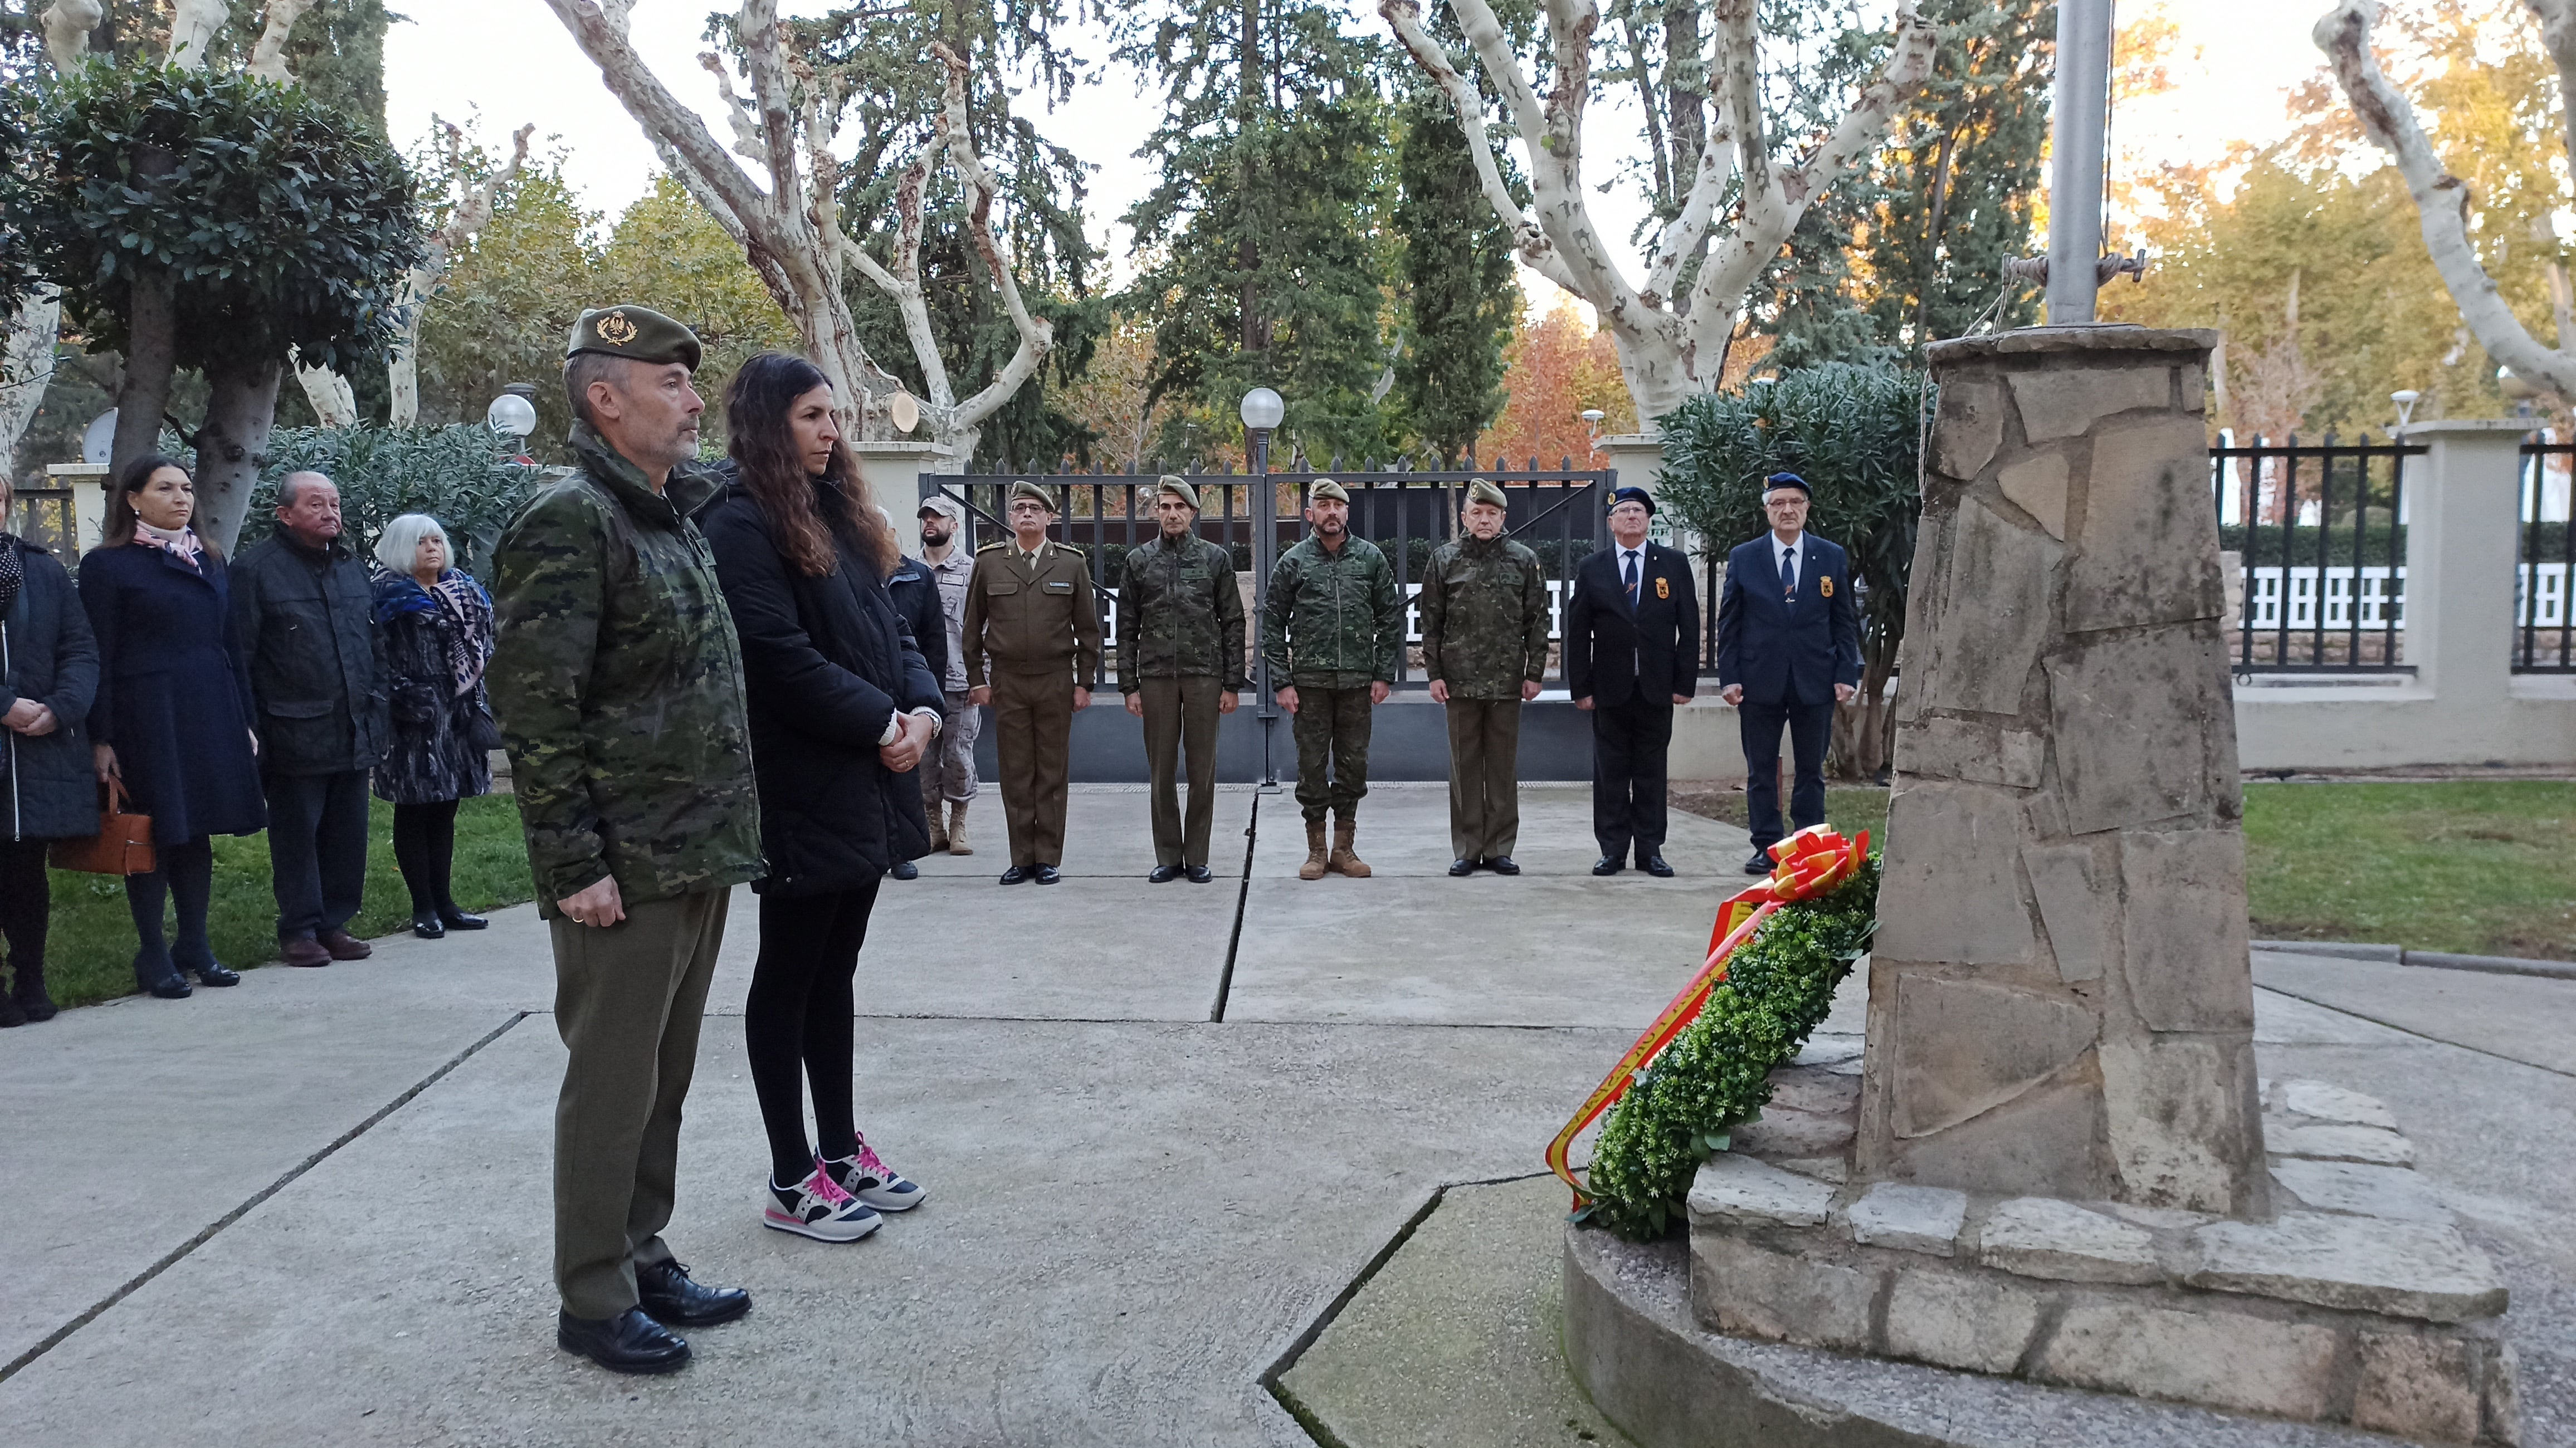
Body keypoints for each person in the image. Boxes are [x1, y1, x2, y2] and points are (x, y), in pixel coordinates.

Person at [489, 304, 764, 1375]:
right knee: (610, 1086)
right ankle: (591, 1297)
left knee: (663, 1079)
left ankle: (642, 1253)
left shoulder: (666, 518)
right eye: (673, 385)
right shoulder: (569, 521)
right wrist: (574, 868)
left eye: (692, 386)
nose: (696, 403)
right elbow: (536, 712)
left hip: (693, 853)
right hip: (625, 868)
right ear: (604, 398)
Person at [700, 351, 937, 1245]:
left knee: (835, 971)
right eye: (810, 416)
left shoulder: (836, 516)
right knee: (789, 975)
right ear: (767, 423)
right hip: (806, 782)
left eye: (831, 415)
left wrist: (919, 710)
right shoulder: (740, 522)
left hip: (866, 778)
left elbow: (892, 628)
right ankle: (791, 1175)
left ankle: (841, 1151)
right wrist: (884, 725)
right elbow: (776, 657)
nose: (830, 431)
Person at [79, 454, 267, 999]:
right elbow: (100, 654)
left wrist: (245, 720)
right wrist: (102, 736)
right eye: (166, 488)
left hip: (210, 709)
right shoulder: (108, 566)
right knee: (155, 831)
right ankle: (153, 952)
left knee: (196, 828)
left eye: (186, 487)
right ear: (134, 499)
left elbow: (231, 646)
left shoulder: (209, 558)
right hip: (147, 715)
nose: (182, 497)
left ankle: (195, 943)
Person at [231, 471, 389, 967]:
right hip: (291, 728)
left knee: (347, 831)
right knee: (298, 832)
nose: (330, 513)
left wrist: (379, 703)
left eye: (335, 503)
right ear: (285, 515)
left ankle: (333, 922)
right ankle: (298, 927)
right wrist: (252, 727)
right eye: (316, 504)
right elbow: (241, 655)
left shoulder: (351, 567)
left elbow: (376, 644)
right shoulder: (255, 571)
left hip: (353, 724)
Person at [1715, 471, 1861, 875]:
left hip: (1815, 679)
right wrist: (1730, 677)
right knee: (1761, 769)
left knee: (1811, 770)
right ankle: (1767, 845)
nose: (1788, 510)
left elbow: (1844, 620)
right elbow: (1730, 623)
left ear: (1807, 508)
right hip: (1759, 680)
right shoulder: (1746, 557)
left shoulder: (1830, 556)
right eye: (1778, 503)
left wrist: (1847, 672)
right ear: (1767, 511)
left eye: (1795, 502)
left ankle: (1809, 844)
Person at [960, 481, 1100, 886]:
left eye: (1035, 509)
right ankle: (1022, 857)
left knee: (1052, 771)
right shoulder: (989, 563)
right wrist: (977, 680)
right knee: (1017, 771)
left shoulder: (1071, 564)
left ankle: (1048, 858)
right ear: (1010, 518)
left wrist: (1084, 683)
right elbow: (972, 629)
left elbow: (1088, 632)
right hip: (1008, 681)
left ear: (1050, 518)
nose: (1026, 515)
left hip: (1055, 679)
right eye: (1020, 508)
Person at [1260, 478, 1400, 881]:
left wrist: (1383, 674)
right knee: (1311, 767)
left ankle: (1344, 848)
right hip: (1310, 685)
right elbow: (1272, 622)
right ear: (1310, 514)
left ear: (1347, 513)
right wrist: (1282, 681)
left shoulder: (1371, 559)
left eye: (1338, 506)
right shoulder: (1294, 561)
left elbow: (1389, 619)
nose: (1332, 513)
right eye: (1323, 506)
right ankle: (1317, 850)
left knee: (1354, 766)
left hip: (1358, 683)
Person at [0, 472, 99, 1026]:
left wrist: (60, 707)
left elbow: (81, 648)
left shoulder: (42, 569)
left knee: (25, 871)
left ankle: (31, 976)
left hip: (36, 750)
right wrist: (4, 704)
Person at [369, 513, 497, 940]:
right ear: (402, 547)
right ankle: (422, 907)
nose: (433, 548)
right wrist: (406, 698)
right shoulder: (388, 598)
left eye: (438, 540)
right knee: (415, 809)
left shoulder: (467, 593)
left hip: (459, 719)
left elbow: (486, 644)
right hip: (414, 723)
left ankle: (446, 903)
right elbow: (375, 659)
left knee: (446, 809)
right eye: (422, 541)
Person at [1565, 485, 1699, 878]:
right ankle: (1611, 849)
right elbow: (1578, 631)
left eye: (1639, 511)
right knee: (1610, 771)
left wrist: (1684, 683)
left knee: (1652, 771)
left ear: (1649, 520)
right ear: (1611, 523)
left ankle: (1650, 850)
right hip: (1609, 689)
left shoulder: (1673, 564)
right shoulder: (1593, 567)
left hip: (1657, 687)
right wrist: (1582, 688)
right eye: (1623, 512)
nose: (1632, 517)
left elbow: (1689, 627)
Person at [1116, 476, 1245, 883]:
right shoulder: (1140, 560)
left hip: (1204, 676)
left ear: (1193, 513)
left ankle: (1198, 855)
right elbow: (1125, 626)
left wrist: (1232, 683)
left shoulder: (1214, 559)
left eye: (1180, 507)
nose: (1172, 514)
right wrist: (1128, 685)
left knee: (1202, 767)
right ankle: (1169, 855)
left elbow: (1234, 621)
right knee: (1161, 770)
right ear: (1157, 512)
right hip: (1155, 677)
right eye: (1166, 507)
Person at [1419, 479, 1548, 877]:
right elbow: (1431, 624)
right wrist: (1434, 675)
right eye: (1477, 513)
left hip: (1507, 681)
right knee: (1464, 766)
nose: (1485, 520)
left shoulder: (1524, 560)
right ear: (1464, 517)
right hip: (1459, 682)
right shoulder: (1445, 560)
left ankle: (1499, 848)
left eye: (1492, 513)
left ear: (1503, 518)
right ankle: (1467, 847)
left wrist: (1535, 673)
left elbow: (1538, 621)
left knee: (1502, 768)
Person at [880, 506, 949, 882]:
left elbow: (932, 642)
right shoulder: (846, 573)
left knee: (907, 777)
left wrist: (929, 699)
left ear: (892, 535)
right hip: (869, 692)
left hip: (909, 689)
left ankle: (903, 853)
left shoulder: (917, 575)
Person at [913, 494, 978, 858]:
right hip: (921, 682)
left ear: (955, 525)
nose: (930, 523)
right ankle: (933, 823)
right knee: (924, 760)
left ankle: (960, 823)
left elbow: (983, 629)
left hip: (959, 682)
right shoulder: (907, 569)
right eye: (925, 518)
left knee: (958, 757)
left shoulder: (972, 571)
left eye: (938, 517)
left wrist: (981, 678)